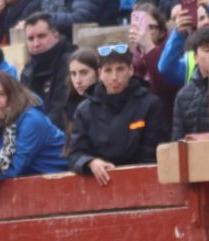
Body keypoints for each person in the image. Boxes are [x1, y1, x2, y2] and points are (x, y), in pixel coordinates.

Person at [67, 43, 169, 185]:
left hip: (142, 183)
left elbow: (153, 156)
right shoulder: (84, 111)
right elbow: (75, 154)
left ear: (131, 70)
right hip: (99, 184)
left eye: (120, 69)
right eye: (108, 70)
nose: (114, 77)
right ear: (100, 73)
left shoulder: (150, 104)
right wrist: (91, 162)